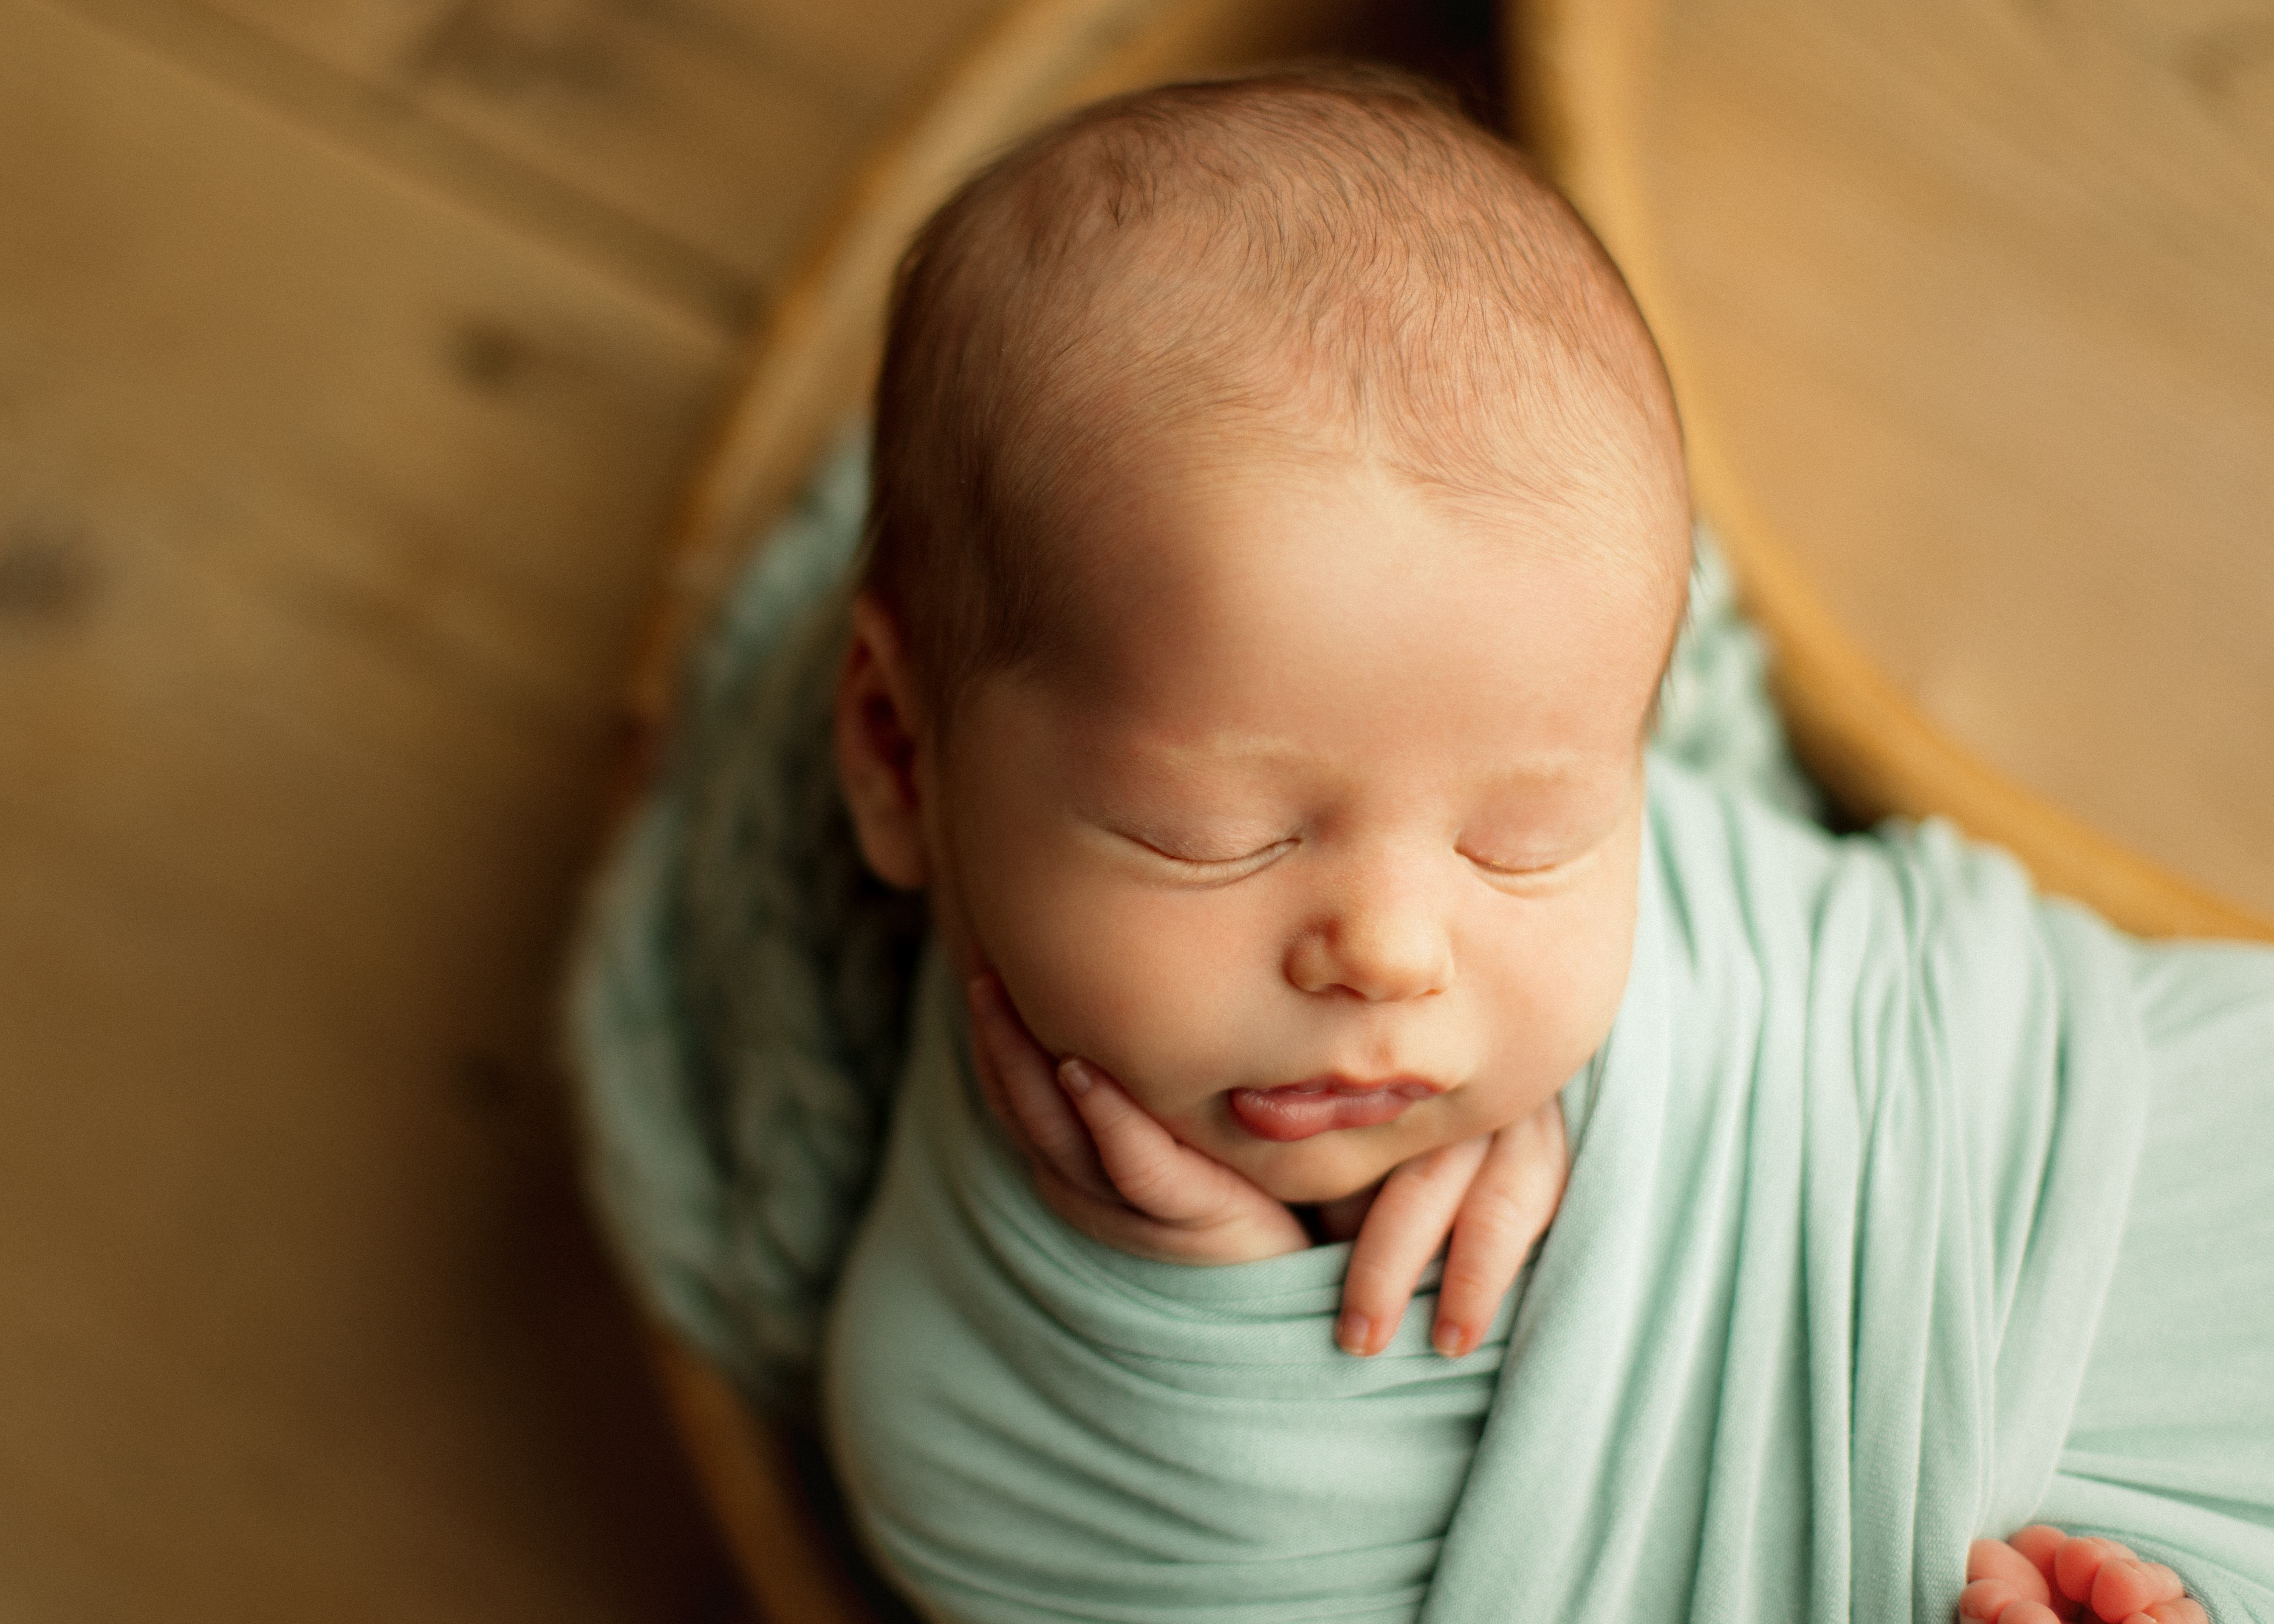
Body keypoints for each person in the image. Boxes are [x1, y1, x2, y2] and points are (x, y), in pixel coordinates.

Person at [574, 60, 2272, 1624]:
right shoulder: (970, 1400)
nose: (1393, 950)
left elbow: (1837, 1013)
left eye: (1528, 839)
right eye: (1214, 834)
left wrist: (1596, 1122)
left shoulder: (1747, 989)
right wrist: (1227, 1339)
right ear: (894, 748)